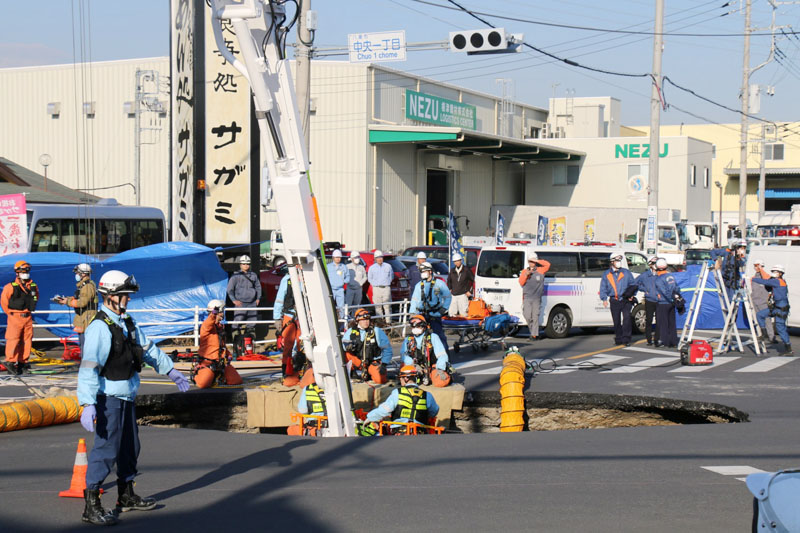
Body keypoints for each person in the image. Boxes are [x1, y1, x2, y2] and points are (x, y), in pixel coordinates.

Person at [77, 270, 189, 526]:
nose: (128, 299)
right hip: (108, 399)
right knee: (107, 449)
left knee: (130, 447)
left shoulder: (127, 323)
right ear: (111, 296)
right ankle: (91, 504)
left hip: (127, 396)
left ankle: (126, 495)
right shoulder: (99, 328)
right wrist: (87, 402)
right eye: (125, 295)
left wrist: (169, 369)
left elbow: (147, 349)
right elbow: (89, 367)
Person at [365, 365, 440, 435]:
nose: (400, 380)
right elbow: (434, 411)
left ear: (406, 378)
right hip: (420, 433)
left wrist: (370, 417)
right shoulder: (427, 395)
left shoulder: (397, 393)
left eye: (401, 378)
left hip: (400, 433)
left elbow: (384, 410)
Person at [193, 299, 242, 389]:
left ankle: (217, 376)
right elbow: (209, 322)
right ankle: (197, 375)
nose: (223, 314)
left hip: (220, 363)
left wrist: (228, 355)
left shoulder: (219, 327)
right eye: (221, 311)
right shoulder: (206, 326)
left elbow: (222, 345)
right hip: (208, 363)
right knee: (203, 384)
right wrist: (213, 314)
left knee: (236, 381)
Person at [1, 260, 38, 375]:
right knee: (13, 339)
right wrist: (11, 314)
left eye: (27, 271)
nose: (25, 273)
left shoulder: (33, 286)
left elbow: (36, 297)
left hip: (27, 316)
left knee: (27, 340)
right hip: (15, 316)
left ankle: (23, 362)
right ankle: (11, 362)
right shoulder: (10, 287)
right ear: (17, 272)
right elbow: (4, 302)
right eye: (23, 271)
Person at [410, 262, 452, 355]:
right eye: (421, 272)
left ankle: (445, 356)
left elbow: (448, 297)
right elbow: (414, 300)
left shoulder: (439, 284)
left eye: (424, 271)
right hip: (421, 315)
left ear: (430, 271)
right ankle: (420, 357)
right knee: (418, 336)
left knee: (439, 336)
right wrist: (412, 314)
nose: (423, 274)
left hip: (435, 314)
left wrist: (443, 309)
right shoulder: (419, 285)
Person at [55, 263, 97, 354]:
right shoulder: (83, 286)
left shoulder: (87, 286)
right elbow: (79, 298)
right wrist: (66, 299)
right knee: (82, 345)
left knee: (85, 346)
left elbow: (82, 302)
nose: (76, 275)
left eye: (78, 273)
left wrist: (67, 302)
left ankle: (86, 362)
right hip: (83, 318)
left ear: (83, 274)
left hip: (86, 319)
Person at [342, 308, 393, 383]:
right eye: (363, 320)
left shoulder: (377, 331)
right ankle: (352, 374)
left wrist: (384, 364)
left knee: (380, 380)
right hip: (358, 362)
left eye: (367, 319)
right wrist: (347, 346)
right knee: (345, 354)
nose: (366, 322)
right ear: (357, 321)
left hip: (373, 362)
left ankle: (370, 373)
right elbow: (342, 346)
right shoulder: (350, 332)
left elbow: (387, 349)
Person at [753, 265, 792, 356]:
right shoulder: (777, 281)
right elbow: (768, 282)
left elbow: (765, 281)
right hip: (776, 307)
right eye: (773, 271)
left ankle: (788, 349)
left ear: (780, 273)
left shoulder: (778, 281)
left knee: (780, 328)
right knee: (760, 314)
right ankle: (764, 334)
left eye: (776, 272)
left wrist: (752, 279)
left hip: (781, 309)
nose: (774, 273)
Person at [402, 314, 451, 387]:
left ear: (424, 327)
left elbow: (442, 355)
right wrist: (412, 365)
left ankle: (432, 375)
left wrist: (440, 368)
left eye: (418, 326)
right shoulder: (408, 340)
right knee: (404, 380)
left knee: (440, 381)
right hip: (415, 365)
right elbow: (404, 355)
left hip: (433, 366)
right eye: (413, 327)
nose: (415, 328)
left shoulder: (433, 337)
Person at [599, 253, 637, 346]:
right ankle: (619, 338)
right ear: (612, 262)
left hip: (625, 300)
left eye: (619, 261)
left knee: (627, 319)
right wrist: (604, 299)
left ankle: (626, 339)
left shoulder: (626, 272)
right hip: (614, 300)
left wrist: (632, 294)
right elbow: (603, 287)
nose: (619, 262)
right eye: (617, 261)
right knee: (616, 321)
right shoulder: (606, 274)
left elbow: (633, 284)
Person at [273, 265, 302, 386]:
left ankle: (300, 369)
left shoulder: (307, 278)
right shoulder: (287, 279)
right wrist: (277, 317)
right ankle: (286, 372)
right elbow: (280, 299)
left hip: (303, 316)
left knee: (301, 344)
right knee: (288, 345)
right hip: (290, 315)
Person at [518, 253, 551, 340]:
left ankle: (534, 335)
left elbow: (547, 264)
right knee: (527, 316)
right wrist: (526, 275)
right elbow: (521, 282)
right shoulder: (525, 271)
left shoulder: (541, 270)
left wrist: (537, 260)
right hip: (527, 297)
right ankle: (533, 331)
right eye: (530, 261)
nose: (531, 263)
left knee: (535, 316)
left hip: (537, 298)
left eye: (533, 261)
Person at [226, 255, 261, 334]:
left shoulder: (254, 275)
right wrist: (234, 300)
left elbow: (258, 287)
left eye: (247, 264)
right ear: (240, 265)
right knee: (237, 322)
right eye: (244, 264)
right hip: (240, 303)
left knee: (252, 323)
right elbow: (230, 289)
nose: (246, 265)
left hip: (252, 303)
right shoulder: (235, 276)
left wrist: (258, 298)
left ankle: (250, 338)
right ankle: (236, 338)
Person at [287, 368, 328, 436]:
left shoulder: (308, 388)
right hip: (336, 424)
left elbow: (303, 410)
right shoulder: (336, 387)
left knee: (291, 429)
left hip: (315, 426)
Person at [654, 258, 681, 348]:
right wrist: (675, 299)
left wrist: (670, 299)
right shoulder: (671, 276)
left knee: (663, 323)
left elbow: (664, 292)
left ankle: (665, 341)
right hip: (671, 303)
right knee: (672, 323)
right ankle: (674, 341)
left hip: (663, 303)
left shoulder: (659, 279)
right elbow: (677, 288)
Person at [750, 259, 776, 344]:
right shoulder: (753, 278)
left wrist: (761, 269)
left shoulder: (766, 276)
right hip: (755, 301)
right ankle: (761, 335)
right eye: (755, 265)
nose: (756, 267)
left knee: (767, 319)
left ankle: (771, 337)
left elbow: (767, 279)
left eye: (758, 265)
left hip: (763, 301)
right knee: (757, 319)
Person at [635, 257, 660, 346]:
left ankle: (657, 339)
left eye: (656, 263)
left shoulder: (661, 274)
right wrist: (644, 289)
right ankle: (649, 339)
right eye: (653, 263)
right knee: (649, 320)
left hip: (659, 300)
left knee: (659, 320)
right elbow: (635, 283)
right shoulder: (645, 275)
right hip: (649, 300)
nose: (655, 265)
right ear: (650, 264)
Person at [367, 250, 393, 322]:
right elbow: (370, 278)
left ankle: (388, 322)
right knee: (378, 306)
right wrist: (375, 285)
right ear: (375, 258)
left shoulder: (388, 266)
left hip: (386, 288)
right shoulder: (372, 268)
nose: (380, 259)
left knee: (387, 306)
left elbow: (391, 277)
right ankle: (380, 322)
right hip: (376, 288)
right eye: (378, 257)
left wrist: (386, 283)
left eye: (381, 257)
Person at [447, 252, 475, 317]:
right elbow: (449, 281)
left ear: (461, 261)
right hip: (453, 296)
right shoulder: (452, 271)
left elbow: (473, 281)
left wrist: (470, 291)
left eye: (458, 261)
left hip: (463, 295)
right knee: (451, 314)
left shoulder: (466, 270)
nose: (456, 263)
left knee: (464, 314)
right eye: (455, 261)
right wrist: (450, 288)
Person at [327, 249, 350, 319]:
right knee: (329, 305)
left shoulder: (343, 267)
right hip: (330, 289)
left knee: (341, 306)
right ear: (333, 257)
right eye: (336, 257)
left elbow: (348, 276)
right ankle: (330, 319)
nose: (338, 259)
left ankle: (342, 320)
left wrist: (344, 281)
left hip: (340, 289)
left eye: (339, 257)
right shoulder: (328, 267)